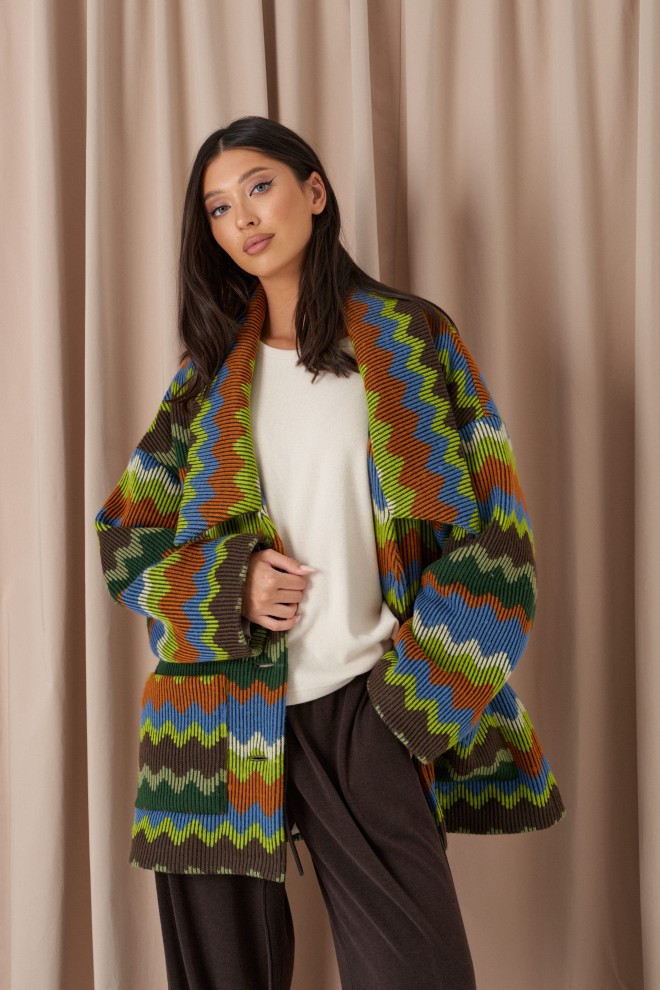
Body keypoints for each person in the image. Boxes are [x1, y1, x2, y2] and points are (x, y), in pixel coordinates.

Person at [94, 115, 566, 990]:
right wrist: (229, 587)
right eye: (218, 207)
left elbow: (498, 540)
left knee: (418, 971)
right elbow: (125, 541)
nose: (243, 217)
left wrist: (409, 709)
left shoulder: (411, 341)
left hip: (367, 706)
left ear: (314, 192)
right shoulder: (205, 377)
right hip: (213, 720)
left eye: (259, 187)